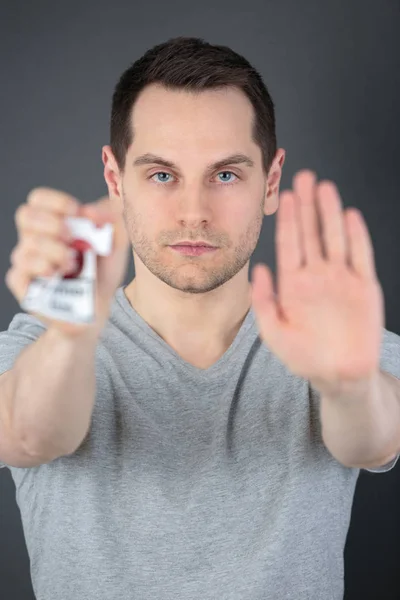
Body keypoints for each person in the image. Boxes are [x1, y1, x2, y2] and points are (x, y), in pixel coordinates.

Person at [0, 36, 399, 600]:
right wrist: (72, 337)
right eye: (162, 175)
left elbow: (376, 441)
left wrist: (349, 385)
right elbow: (25, 434)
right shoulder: (41, 341)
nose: (194, 213)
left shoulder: (336, 341)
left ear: (272, 181)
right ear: (115, 181)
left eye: (227, 175)